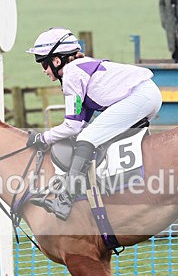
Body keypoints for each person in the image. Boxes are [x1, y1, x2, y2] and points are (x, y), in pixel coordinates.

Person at [24, 27, 163, 221]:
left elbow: (72, 126)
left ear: (56, 60)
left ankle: (65, 200)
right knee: (91, 136)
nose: (44, 70)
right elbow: (80, 123)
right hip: (147, 95)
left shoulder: (71, 74)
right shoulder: (79, 68)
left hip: (141, 96)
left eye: (44, 63)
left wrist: (42, 137)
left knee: (87, 138)